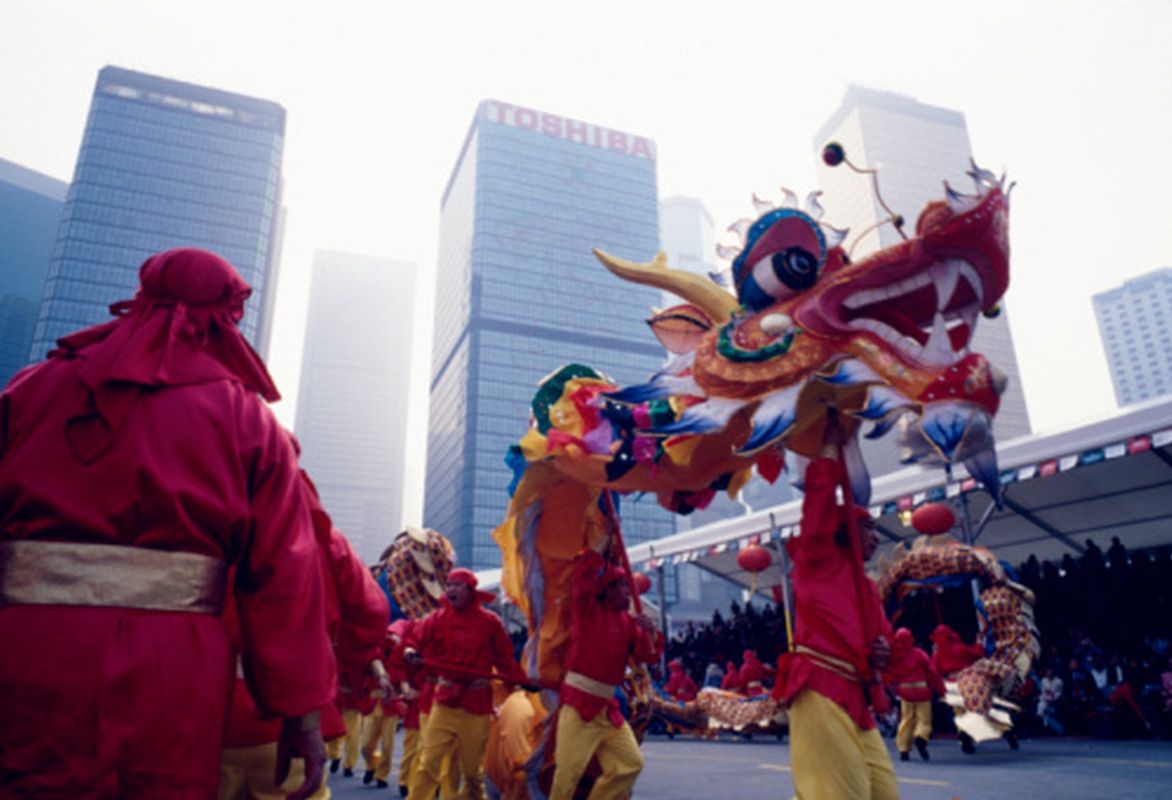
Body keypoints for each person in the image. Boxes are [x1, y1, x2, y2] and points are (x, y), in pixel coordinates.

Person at [0, 248, 333, 799]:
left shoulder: (29, 389)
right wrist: (300, 711)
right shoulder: (247, 418)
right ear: (220, 317)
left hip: (25, 651)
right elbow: (285, 570)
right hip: (171, 664)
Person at [220, 469, 391, 800]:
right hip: (292, 718)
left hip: (207, 715)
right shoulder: (325, 538)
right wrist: (339, 654)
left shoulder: (203, 527)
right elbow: (371, 613)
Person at [772, 411, 897, 800]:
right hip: (821, 687)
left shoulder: (867, 586)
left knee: (884, 794)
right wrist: (827, 451)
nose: (876, 537)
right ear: (844, 529)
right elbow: (819, 506)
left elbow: (884, 643)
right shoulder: (817, 559)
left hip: (857, 697)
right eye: (867, 528)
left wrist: (882, 651)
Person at [405, 568, 534, 800]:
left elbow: (504, 661)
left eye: (457, 585)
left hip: (475, 705)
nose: (451, 589)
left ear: (470, 590)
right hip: (444, 701)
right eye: (449, 585)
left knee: (473, 773)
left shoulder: (490, 622)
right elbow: (414, 639)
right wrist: (410, 650)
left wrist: (524, 682)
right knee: (428, 764)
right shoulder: (437, 619)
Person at [549, 549, 660, 799]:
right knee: (568, 772)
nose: (626, 591)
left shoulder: (629, 622)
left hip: (607, 708)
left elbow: (647, 657)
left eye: (625, 585)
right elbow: (582, 582)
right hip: (579, 703)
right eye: (620, 585)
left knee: (630, 764)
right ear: (606, 589)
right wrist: (599, 548)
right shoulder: (587, 611)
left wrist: (650, 632)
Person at [884, 628, 946, 761]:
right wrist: (939, 690)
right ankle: (921, 737)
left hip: (905, 692)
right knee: (924, 719)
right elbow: (931, 673)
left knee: (906, 720)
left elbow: (889, 674)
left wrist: (892, 690)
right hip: (922, 690)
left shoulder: (895, 657)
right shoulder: (920, 654)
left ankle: (904, 749)